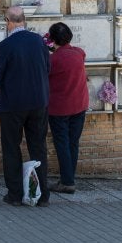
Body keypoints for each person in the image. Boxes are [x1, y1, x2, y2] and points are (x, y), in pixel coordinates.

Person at [0, 5, 51, 207]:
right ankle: (43, 195)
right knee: (38, 147)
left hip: (13, 104)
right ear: (24, 20)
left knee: (11, 147)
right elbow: (47, 68)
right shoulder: (39, 41)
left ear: (8, 21)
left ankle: (15, 194)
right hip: (38, 102)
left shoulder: (5, 45)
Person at [47, 21, 89, 194]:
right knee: (73, 142)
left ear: (52, 39)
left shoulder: (52, 59)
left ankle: (67, 182)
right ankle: (68, 179)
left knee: (62, 143)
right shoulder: (79, 53)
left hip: (59, 108)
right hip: (79, 105)